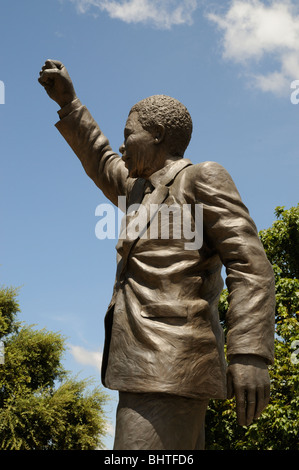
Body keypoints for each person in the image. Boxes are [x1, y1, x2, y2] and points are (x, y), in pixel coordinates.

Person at [38, 59, 275, 450]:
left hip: (173, 362)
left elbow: (250, 264)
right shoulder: (138, 192)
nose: (121, 144)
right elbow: (100, 159)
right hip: (142, 366)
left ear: (158, 134)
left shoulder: (200, 178)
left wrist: (249, 353)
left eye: (129, 135)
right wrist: (69, 102)